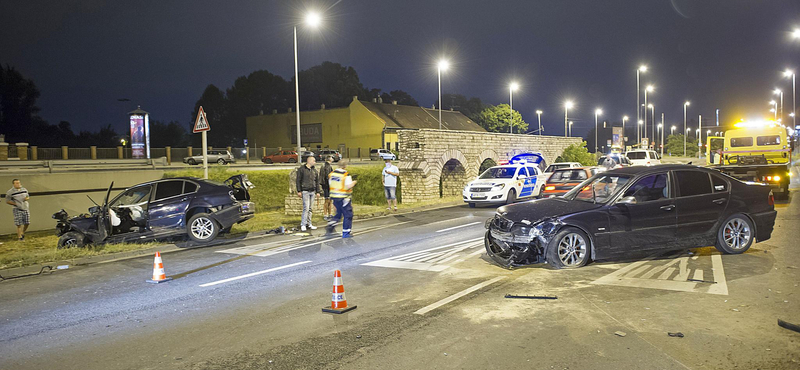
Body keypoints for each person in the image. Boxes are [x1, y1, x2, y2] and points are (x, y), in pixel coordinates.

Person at [326, 159, 357, 238]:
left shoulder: (332, 174)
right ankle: (346, 233)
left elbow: (330, 184)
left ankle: (331, 224)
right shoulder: (345, 175)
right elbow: (348, 186)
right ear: (345, 166)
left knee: (339, 213)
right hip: (344, 198)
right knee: (348, 215)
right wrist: (353, 183)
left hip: (334, 197)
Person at [296, 156, 321, 231]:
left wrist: (318, 191)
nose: (315, 162)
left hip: (312, 191)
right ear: (309, 161)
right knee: (306, 208)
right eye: (314, 161)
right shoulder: (302, 169)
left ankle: (309, 224)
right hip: (305, 191)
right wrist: (299, 191)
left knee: (310, 209)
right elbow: (298, 181)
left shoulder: (314, 170)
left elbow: (317, 182)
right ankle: (303, 224)